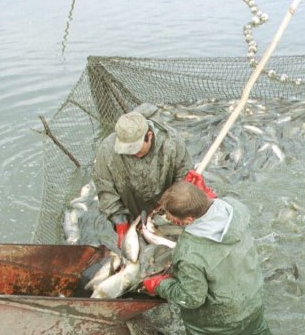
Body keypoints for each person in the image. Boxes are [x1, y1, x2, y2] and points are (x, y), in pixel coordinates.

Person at [142, 181, 271, 335]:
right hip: (254, 302)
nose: (170, 220)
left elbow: (192, 299)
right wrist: (208, 197)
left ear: (188, 220)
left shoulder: (189, 252)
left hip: (219, 324)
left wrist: (160, 284)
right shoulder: (236, 208)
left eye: (172, 218)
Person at [92, 103, 215, 248]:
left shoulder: (172, 142)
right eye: (128, 151)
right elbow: (106, 192)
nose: (133, 154)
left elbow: (183, 176)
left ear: (149, 136)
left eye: (136, 149)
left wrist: (176, 206)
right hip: (133, 206)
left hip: (167, 205)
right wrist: (121, 225)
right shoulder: (106, 151)